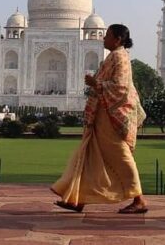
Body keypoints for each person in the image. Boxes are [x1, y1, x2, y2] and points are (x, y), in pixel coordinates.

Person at [52, 24, 148, 214]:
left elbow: (121, 87)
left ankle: (139, 200)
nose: (103, 38)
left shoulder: (120, 57)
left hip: (112, 115)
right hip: (102, 113)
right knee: (91, 155)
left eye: (107, 35)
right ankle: (78, 199)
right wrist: (96, 84)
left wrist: (96, 83)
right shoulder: (113, 56)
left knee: (121, 155)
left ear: (118, 39)